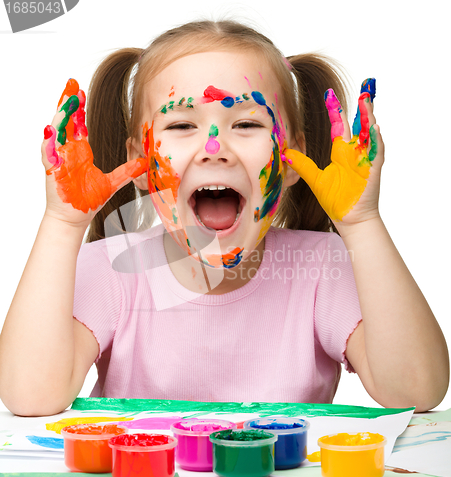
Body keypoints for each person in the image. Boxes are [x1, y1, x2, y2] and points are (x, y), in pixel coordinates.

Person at [0, 20, 448, 417]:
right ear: (139, 161)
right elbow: (30, 396)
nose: (215, 148)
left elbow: (415, 391)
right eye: (180, 126)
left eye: (248, 124)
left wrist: (363, 225)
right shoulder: (111, 271)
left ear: (292, 159)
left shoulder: (321, 268)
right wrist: (62, 225)